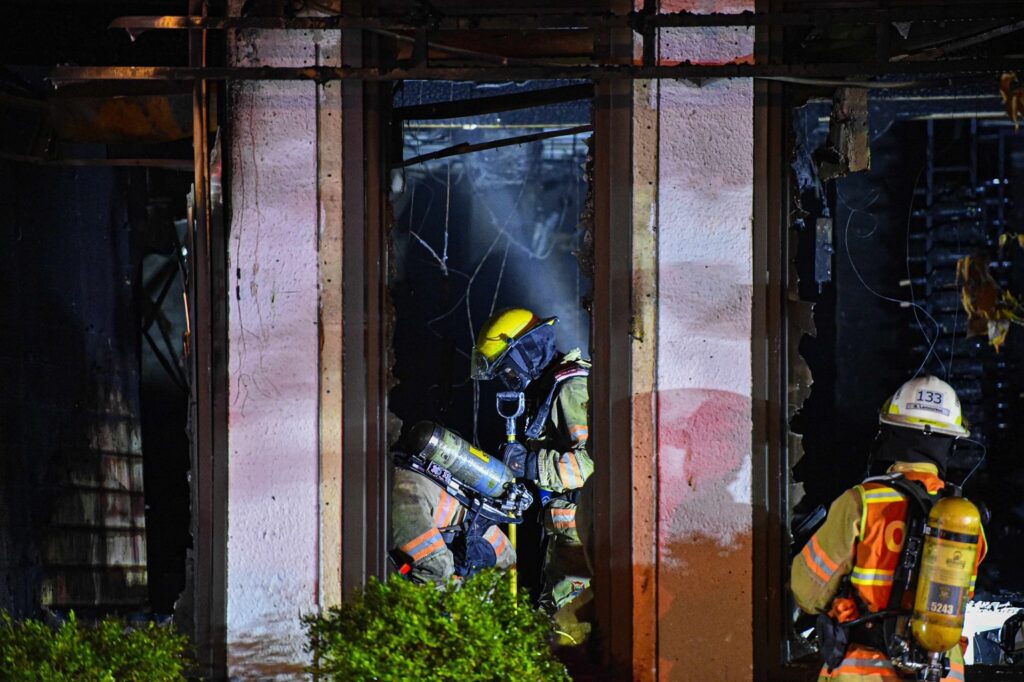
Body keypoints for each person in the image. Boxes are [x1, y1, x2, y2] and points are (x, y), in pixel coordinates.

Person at [791, 375, 986, 681]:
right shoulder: (964, 520)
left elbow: (807, 591)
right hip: (942, 672)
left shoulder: (862, 502)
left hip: (866, 671)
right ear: (951, 443)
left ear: (889, 433)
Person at [470, 308, 593, 613]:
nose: (508, 379)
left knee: (569, 629)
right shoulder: (549, 390)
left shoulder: (571, 387)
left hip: (584, 537)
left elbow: (592, 466)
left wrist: (529, 464)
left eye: (507, 369)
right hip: (565, 533)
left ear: (526, 350)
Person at [390, 462, 516, 585]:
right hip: (407, 499)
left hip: (407, 473)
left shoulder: (482, 523)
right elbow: (439, 573)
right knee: (438, 572)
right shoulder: (491, 559)